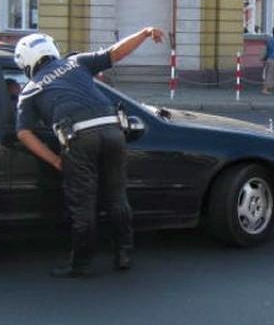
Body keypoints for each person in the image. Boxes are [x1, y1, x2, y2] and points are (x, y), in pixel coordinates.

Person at [13, 26, 165, 278]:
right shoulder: (76, 62)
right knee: (117, 197)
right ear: (51, 50)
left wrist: (54, 159)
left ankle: (81, 264)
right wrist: (145, 32)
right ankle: (124, 254)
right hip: (113, 131)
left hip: (79, 139)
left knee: (83, 205)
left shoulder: (30, 89)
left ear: (26, 63)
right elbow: (115, 53)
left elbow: (23, 133)